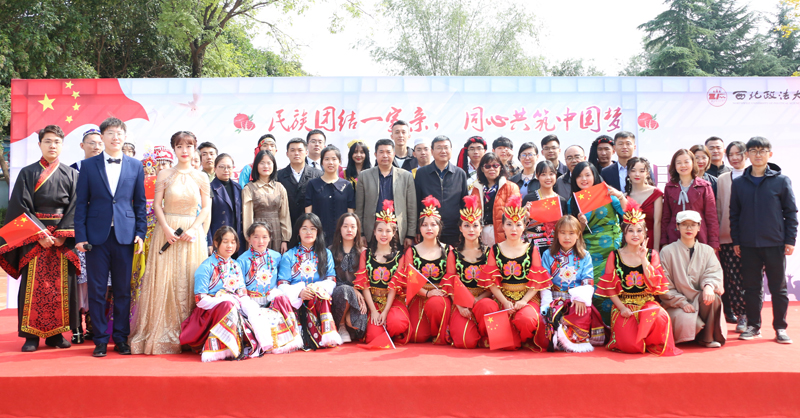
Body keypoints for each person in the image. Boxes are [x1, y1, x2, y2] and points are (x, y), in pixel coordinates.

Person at [129, 131, 210, 355]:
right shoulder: (164, 173)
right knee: (165, 280)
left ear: (194, 149)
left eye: (189, 146)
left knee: (189, 279)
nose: (184, 150)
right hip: (167, 232)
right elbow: (157, 205)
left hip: (192, 234)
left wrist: (194, 229)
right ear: (174, 149)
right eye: (180, 146)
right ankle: (161, 332)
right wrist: (165, 228)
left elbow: (205, 208)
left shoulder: (201, 177)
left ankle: (192, 335)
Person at [1, 125, 80, 352]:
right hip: (34, 239)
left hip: (61, 239)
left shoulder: (72, 174)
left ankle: (56, 335)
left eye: (56, 141)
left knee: (60, 288)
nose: (52, 145)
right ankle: (31, 336)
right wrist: (40, 234)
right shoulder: (27, 173)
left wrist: (63, 235)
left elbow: (76, 207)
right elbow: (20, 206)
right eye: (48, 141)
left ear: (62, 145)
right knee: (33, 287)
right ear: (39, 144)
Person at [74, 118, 147, 357]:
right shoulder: (88, 166)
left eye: (119, 133)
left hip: (125, 236)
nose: (116, 137)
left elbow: (140, 204)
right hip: (96, 237)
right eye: (111, 133)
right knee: (97, 290)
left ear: (125, 137)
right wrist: (80, 236)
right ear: (102, 137)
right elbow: (81, 204)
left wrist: (140, 233)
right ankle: (100, 340)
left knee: (123, 290)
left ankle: (121, 338)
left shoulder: (135, 166)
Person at [180, 226, 298, 361]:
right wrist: (225, 300)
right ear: (216, 243)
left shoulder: (235, 265)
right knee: (228, 306)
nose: (230, 246)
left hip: (235, 306)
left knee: (254, 313)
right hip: (212, 311)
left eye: (233, 242)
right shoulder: (206, 267)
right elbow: (200, 300)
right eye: (225, 242)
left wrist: (251, 309)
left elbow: (242, 294)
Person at [731, 136, 797, 344]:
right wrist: (736, 241)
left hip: (775, 243)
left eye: (762, 150)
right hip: (748, 245)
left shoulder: (781, 181)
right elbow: (734, 214)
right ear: (747, 155)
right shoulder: (739, 183)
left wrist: (790, 240)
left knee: (779, 289)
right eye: (753, 150)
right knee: (751, 288)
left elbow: (791, 212)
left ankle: (780, 328)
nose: (758, 155)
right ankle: (753, 326)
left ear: (770, 154)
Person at [596, 202, 681, 356]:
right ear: (624, 233)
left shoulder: (651, 254)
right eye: (631, 231)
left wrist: (643, 260)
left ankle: (647, 338)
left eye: (639, 230)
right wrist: (622, 308)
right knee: (630, 346)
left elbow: (654, 283)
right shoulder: (614, 255)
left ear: (645, 233)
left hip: (646, 305)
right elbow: (610, 289)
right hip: (624, 306)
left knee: (660, 316)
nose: (635, 235)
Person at [473, 195, 551, 351]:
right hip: (503, 298)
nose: (514, 229)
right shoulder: (495, 249)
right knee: (484, 305)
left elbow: (537, 281)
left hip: (527, 298)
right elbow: (491, 281)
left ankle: (521, 337)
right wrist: (504, 301)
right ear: (502, 226)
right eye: (509, 224)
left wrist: (524, 301)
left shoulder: (531, 249)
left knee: (526, 320)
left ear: (524, 226)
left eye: (518, 224)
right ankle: (507, 337)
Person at [568, 161, 628, 324]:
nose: (584, 179)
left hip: (611, 248)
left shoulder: (607, 194)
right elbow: (573, 233)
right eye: (579, 176)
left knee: (612, 286)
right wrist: (581, 223)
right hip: (588, 252)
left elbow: (628, 214)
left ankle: (615, 325)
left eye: (588, 175)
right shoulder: (573, 201)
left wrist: (620, 196)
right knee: (593, 289)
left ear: (595, 176)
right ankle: (596, 327)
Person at [660, 210, 726, 348]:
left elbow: (714, 272)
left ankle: (707, 338)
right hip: (676, 305)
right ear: (677, 226)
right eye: (684, 224)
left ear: (699, 227)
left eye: (693, 224)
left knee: (713, 298)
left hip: (700, 302)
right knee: (693, 324)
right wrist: (682, 302)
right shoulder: (667, 252)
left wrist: (709, 286)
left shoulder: (707, 250)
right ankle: (699, 331)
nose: (689, 228)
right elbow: (664, 285)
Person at [394, 196, 455, 344]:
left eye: (433, 224)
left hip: (440, 296)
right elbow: (409, 279)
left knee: (436, 305)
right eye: (425, 225)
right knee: (417, 337)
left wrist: (438, 293)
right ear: (419, 229)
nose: (429, 228)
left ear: (439, 227)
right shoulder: (412, 251)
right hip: (419, 295)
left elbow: (451, 277)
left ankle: (438, 331)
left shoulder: (448, 250)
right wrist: (427, 293)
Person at [540, 215, 606, 352]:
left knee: (584, 310)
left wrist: (580, 298)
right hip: (554, 299)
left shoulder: (585, 255)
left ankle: (570, 339)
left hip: (575, 300)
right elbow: (544, 282)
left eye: (571, 233)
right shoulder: (547, 255)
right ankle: (560, 337)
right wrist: (547, 303)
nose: (567, 237)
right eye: (563, 232)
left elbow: (588, 281)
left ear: (578, 235)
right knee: (547, 316)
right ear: (557, 234)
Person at [277, 213, 342, 349]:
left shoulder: (326, 254)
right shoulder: (288, 256)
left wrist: (315, 289)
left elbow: (331, 280)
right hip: (296, 302)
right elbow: (282, 285)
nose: (308, 232)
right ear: (298, 231)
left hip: (318, 299)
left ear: (318, 232)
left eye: (313, 228)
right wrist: (299, 292)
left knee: (322, 295)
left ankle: (328, 335)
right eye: (304, 228)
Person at [236, 222, 303, 354]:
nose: (261, 241)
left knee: (282, 299)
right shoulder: (242, 260)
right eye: (256, 237)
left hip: (271, 298)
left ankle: (291, 338)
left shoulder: (276, 256)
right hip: (251, 300)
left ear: (270, 238)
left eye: (265, 237)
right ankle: (264, 344)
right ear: (249, 238)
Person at [354, 200, 411, 345]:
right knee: (373, 337)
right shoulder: (366, 255)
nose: (383, 234)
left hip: (392, 303)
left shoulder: (399, 257)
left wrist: (385, 312)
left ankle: (389, 326)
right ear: (374, 232)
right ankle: (382, 329)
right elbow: (364, 285)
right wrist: (373, 311)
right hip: (372, 302)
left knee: (396, 323)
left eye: (388, 231)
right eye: (380, 230)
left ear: (394, 233)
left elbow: (394, 287)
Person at [70, 128, 105, 343]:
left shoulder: (109, 169)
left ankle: (94, 326)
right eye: (91, 143)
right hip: (80, 233)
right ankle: (76, 328)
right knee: (78, 281)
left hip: (101, 234)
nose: (96, 147)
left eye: (99, 143)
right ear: (82, 146)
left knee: (99, 281)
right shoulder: (72, 170)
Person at [356, 139, 417, 250]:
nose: (385, 155)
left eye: (388, 152)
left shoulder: (405, 176)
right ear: (375, 154)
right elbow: (359, 208)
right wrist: (361, 233)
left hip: (398, 232)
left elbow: (411, 207)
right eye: (381, 152)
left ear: (393, 154)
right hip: (371, 233)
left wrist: (410, 235)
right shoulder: (364, 176)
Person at [449, 195, 491, 349]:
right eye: (466, 226)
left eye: (475, 225)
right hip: (461, 304)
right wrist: (460, 306)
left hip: (483, 300)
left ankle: (483, 332)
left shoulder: (489, 252)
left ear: (481, 228)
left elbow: (493, 284)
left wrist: (478, 299)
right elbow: (450, 284)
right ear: (460, 228)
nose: (471, 230)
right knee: (465, 342)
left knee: (487, 306)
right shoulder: (453, 254)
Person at [716, 141, 748, 329]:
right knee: (733, 279)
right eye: (731, 154)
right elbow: (719, 208)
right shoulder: (722, 179)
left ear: (746, 154)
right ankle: (741, 314)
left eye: (739, 153)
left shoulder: (754, 175)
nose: (735, 158)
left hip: (753, 239)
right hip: (728, 237)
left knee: (752, 279)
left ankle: (753, 315)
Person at [415, 135, 469, 246]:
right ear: (432, 151)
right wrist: (416, 229)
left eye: (446, 147)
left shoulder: (460, 173)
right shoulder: (422, 173)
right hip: (428, 229)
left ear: (451, 150)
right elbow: (416, 203)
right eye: (439, 148)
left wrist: (464, 227)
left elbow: (464, 203)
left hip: (454, 230)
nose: (443, 151)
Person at [660, 149, 719, 250]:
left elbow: (711, 217)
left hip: (700, 237)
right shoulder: (669, 187)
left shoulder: (704, 186)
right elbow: (666, 217)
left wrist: (713, 243)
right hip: (674, 237)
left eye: (686, 162)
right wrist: (664, 241)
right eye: (679, 163)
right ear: (674, 165)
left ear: (693, 163)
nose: (683, 165)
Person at [243, 150, 292, 254]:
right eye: (262, 163)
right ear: (256, 166)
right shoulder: (249, 188)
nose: (266, 166)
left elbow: (284, 215)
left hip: (276, 231)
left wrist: (285, 239)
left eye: (269, 163)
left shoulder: (280, 187)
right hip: (257, 233)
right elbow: (247, 217)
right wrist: (249, 238)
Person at [305, 146, 355, 247]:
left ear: (339, 162)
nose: (330, 162)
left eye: (334, 159)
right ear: (322, 162)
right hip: (319, 235)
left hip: (341, 236)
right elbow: (308, 213)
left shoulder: (347, 185)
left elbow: (350, 213)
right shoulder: (313, 184)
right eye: (327, 159)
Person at [329, 213, 368, 342]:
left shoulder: (364, 252)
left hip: (358, 298)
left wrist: (357, 290)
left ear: (357, 230)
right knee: (345, 290)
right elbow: (330, 279)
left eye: (352, 226)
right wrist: (352, 289)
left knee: (355, 323)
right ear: (340, 229)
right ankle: (341, 326)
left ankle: (348, 323)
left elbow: (366, 280)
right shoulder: (330, 251)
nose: (349, 230)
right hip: (338, 296)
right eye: (345, 226)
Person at [469, 152, 521, 245]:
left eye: (495, 166)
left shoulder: (511, 187)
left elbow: (515, 214)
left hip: (502, 234)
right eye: (487, 166)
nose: (492, 169)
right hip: (481, 233)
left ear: (500, 167)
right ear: (482, 169)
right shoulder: (476, 188)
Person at [522, 161, 568, 254]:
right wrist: (524, 216)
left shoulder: (561, 201)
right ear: (537, 176)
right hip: (534, 248)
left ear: (556, 175)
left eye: (551, 174)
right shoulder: (529, 199)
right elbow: (521, 226)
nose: (548, 178)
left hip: (556, 247)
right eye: (543, 174)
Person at [277, 138, 322, 228]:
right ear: (287, 154)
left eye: (300, 150)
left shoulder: (318, 175)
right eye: (292, 150)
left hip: (311, 226)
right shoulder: (278, 176)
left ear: (306, 152)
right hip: (286, 225)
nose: (296, 153)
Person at [208, 153, 244, 257]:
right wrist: (209, 242)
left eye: (229, 167)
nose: (226, 170)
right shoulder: (210, 188)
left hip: (235, 239)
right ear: (215, 168)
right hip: (219, 238)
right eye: (222, 167)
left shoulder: (238, 188)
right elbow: (206, 218)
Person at [626, 157, 662, 250]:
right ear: (628, 173)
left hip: (651, 240)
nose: (637, 174)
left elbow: (657, 222)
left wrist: (656, 249)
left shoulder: (656, 193)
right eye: (633, 170)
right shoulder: (625, 197)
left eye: (641, 171)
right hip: (631, 243)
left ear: (647, 173)